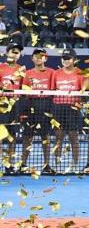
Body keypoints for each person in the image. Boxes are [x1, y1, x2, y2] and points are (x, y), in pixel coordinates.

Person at [50, 49, 84, 173]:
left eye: (68, 58)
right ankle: (58, 165)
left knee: (74, 138)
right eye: (64, 58)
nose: (65, 60)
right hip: (58, 107)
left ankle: (75, 165)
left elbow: (84, 92)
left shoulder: (81, 73)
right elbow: (52, 90)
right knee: (58, 138)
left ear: (74, 60)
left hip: (73, 109)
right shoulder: (56, 73)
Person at [20, 48, 54, 173]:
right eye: (36, 56)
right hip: (30, 105)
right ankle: (23, 164)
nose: (39, 58)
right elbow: (24, 93)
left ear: (46, 58)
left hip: (46, 105)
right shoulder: (27, 73)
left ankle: (46, 164)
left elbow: (54, 92)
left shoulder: (52, 72)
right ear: (32, 58)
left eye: (42, 56)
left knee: (45, 136)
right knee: (28, 137)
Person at [0, 42, 25, 173]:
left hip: (15, 106)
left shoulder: (22, 70)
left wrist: (16, 98)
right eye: (13, 51)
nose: (15, 54)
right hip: (1, 105)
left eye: (17, 52)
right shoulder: (0, 68)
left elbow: (22, 89)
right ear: (7, 53)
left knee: (12, 136)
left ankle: (8, 164)